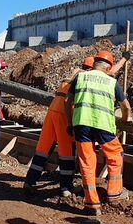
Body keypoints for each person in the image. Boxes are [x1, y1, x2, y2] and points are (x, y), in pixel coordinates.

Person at [67, 50, 131, 216]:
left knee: (87, 164)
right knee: (115, 156)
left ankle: (92, 203)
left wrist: (70, 122)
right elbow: (126, 106)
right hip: (103, 125)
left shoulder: (80, 77)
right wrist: (126, 119)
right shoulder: (110, 82)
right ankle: (114, 194)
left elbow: (68, 102)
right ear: (108, 67)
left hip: (81, 124)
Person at [23, 56, 95, 197]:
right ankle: (66, 188)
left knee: (43, 148)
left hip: (52, 111)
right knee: (67, 151)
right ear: (92, 69)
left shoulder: (74, 72)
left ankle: (30, 181)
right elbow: (72, 100)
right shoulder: (84, 78)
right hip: (64, 113)